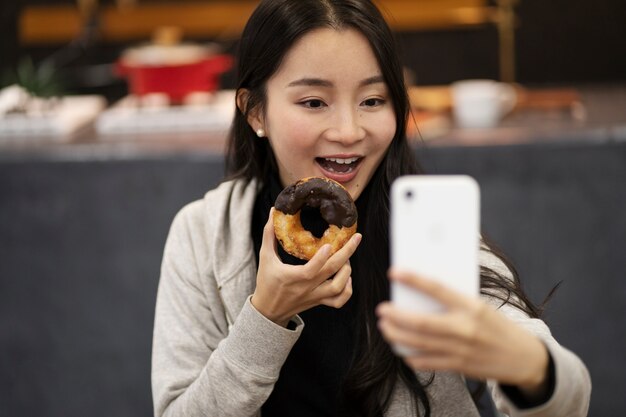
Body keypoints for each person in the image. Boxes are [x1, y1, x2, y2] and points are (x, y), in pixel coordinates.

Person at [151, 0, 591, 416]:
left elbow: (570, 398)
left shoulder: (424, 225)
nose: (348, 130)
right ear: (255, 112)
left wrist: (531, 366)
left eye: (373, 100)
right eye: (313, 102)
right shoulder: (204, 234)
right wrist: (265, 317)